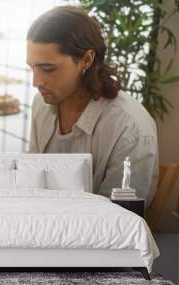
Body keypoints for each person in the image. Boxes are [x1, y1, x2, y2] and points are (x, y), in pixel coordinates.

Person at [26, 6, 158, 206]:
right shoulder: (42, 103)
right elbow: (34, 178)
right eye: (32, 68)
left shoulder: (130, 129)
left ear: (86, 59)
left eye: (48, 69)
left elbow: (120, 221)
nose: (36, 82)